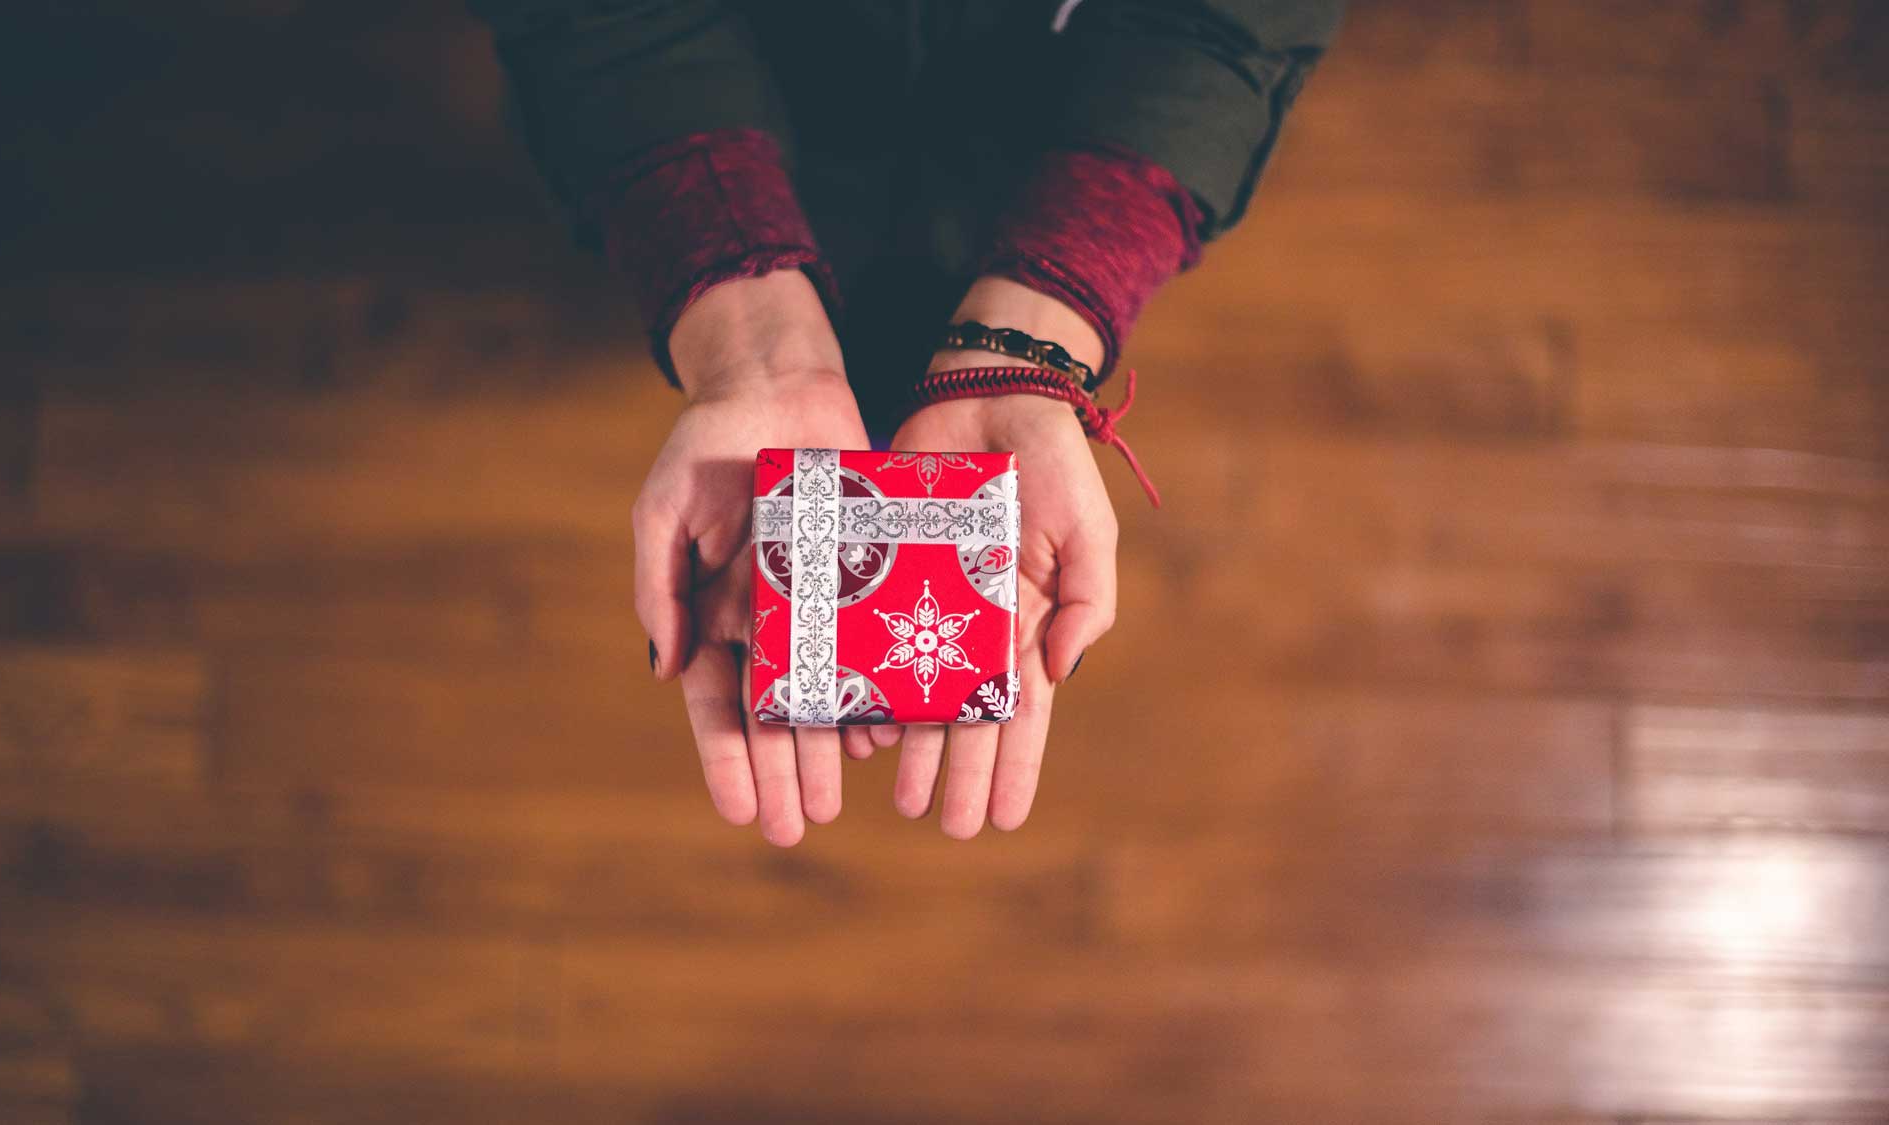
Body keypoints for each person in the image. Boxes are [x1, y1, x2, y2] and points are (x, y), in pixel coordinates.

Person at [473, 0, 1343, 845]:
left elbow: (1233, 20)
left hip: (1043, 137)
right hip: (711, 119)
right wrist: (738, 313)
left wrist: (1053, 300)